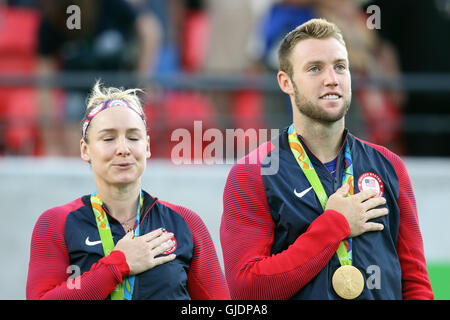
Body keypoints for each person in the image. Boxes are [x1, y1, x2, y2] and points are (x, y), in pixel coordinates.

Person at [220, 18, 433, 300]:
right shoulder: (251, 174)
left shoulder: (390, 166)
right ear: (286, 82)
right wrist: (334, 224)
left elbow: (415, 283)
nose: (331, 78)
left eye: (340, 67)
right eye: (314, 68)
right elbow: (248, 289)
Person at [27, 81, 230, 300]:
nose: (123, 149)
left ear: (148, 147)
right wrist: (117, 265)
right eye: (108, 138)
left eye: (133, 138)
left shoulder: (185, 222)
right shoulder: (56, 223)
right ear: (85, 150)